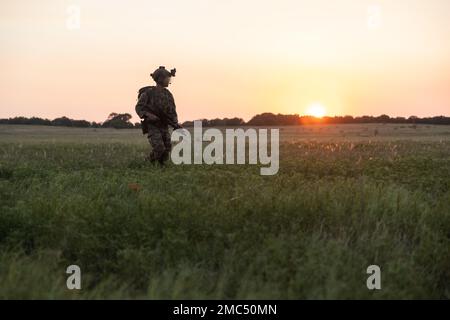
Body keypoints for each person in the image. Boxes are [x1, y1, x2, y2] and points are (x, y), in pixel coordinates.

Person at [135, 66, 182, 164]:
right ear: (160, 79)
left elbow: (172, 110)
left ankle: (160, 166)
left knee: (167, 149)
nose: (168, 80)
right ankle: (147, 162)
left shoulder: (168, 94)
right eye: (167, 78)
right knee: (159, 148)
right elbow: (139, 108)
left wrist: (175, 123)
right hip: (153, 125)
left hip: (164, 125)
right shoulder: (149, 93)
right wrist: (148, 115)